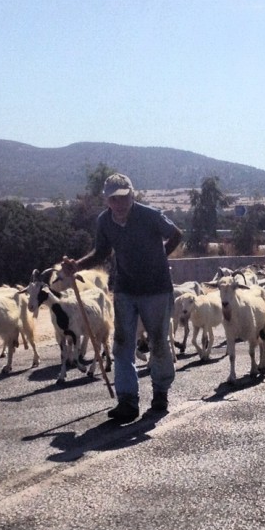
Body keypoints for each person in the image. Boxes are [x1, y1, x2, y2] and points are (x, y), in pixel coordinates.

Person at [62, 173, 182, 423]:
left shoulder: (149, 215)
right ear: (106, 200)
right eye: (113, 199)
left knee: (158, 341)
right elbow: (101, 252)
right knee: (123, 344)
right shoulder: (104, 221)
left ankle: (160, 393)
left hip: (156, 289)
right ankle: (127, 400)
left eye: (124, 197)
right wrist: (78, 265)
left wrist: (160, 257)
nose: (119, 203)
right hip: (125, 289)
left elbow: (176, 234)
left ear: (132, 195)